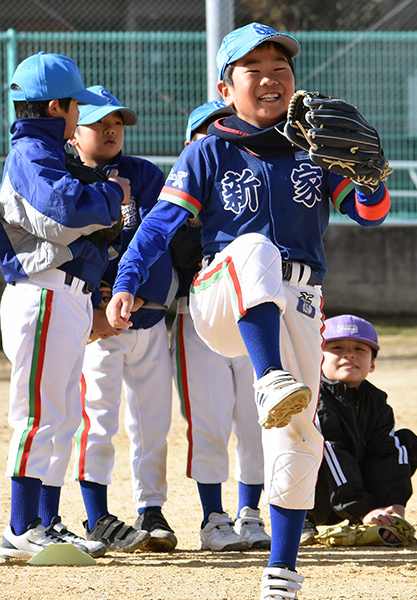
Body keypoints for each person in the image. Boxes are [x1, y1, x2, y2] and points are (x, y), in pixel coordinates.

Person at [107, 23, 390, 599]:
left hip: (300, 299)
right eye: (253, 69)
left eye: (281, 68)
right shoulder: (207, 150)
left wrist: (371, 175)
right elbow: (160, 226)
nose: (270, 78)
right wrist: (127, 282)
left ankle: (281, 573)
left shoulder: (313, 150)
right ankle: (268, 376)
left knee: (300, 434)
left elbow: (371, 214)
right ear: (225, 87)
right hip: (221, 295)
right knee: (255, 247)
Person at [0, 52, 129, 560]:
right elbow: (67, 207)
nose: (79, 117)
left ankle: (46, 521)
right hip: (43, 291)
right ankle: (21, 525)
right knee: (39, 415)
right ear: (56, 107)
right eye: (76, 107)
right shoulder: (30, 151)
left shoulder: (49, 153)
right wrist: (111, 198)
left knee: (63, 416)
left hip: (66, 295)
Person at [67, 86, 175, 553]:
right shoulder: (68, 178)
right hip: (98, 325)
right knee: (98, 419)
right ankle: (97, 515)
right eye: (97, 123)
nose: (111, 130)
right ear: (74, 134)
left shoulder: (145, 175)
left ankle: (151, 509)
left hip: (149, 318)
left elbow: (154, 237)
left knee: (153, 423)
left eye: (117, 123)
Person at [170, 100, 272, 552]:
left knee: (258, 421)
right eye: (211, 131)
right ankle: (214, 517)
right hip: (197, 322)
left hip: (256, 319)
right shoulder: (177, 202)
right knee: (208, 421)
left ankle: (251, 512)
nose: (223, 137)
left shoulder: (255, 194)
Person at [300, 315, 417, 546]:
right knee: (309, 447)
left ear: (372, 363)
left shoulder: (377, 400)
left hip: (354, 491)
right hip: (320, 498)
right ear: (319, 358)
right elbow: (335, 456)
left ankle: (378, 515)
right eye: (337, 348)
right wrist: (364, 510)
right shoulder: (317, 399)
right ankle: (303, 519)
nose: (349, 354)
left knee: (405, 443)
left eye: (359, 349)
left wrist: (394, 506)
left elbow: (385, 453)